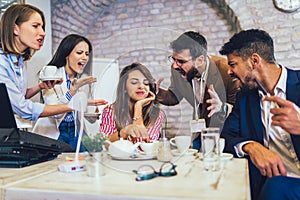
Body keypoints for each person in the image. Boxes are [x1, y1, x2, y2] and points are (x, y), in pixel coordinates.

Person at [0, 5, 105, 142]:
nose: (43, 33)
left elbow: (14, 96)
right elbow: (23, 108)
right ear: (15, 28)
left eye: (42, 27)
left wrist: (40, 87)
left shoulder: (19, 62)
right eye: (36, 26)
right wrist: (74, 104)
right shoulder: (3, 62)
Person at [219, 29, 300, 200]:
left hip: (281, 188)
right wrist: (251, 146)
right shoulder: (245, 98)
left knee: (275, 186)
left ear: (254, 61)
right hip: (270, 186)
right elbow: (226, 136)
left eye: (233, 64)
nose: (229, 72)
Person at [156, 31, 240, 150]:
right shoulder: (178, 70)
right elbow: (174, 96)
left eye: (181, 61)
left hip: (226, 134)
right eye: (173, 59)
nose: (174, 65)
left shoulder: (226, 71)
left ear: (200, 60)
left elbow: (239, 110)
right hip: (199, 132)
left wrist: (222, 106)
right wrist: (157, 92)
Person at [33, 34, 107, 151]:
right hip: (55, 132)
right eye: (79, 53)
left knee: (87, 160)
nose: (84, 57)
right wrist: (72, 91)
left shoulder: (83, 79)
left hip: (75, 130)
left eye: (86, 54)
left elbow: (81, 113)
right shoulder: (51, 74)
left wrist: (91, 110)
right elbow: (55, 112)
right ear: (67, 55)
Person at [100, 62, 165, 143]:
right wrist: (125, 132)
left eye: (146, 83)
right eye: (134, 82)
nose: (141, 86)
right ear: (124, 87)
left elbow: (144, 144)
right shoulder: (110, 111)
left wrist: (138, 107)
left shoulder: (157, 114)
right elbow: (103, 142)